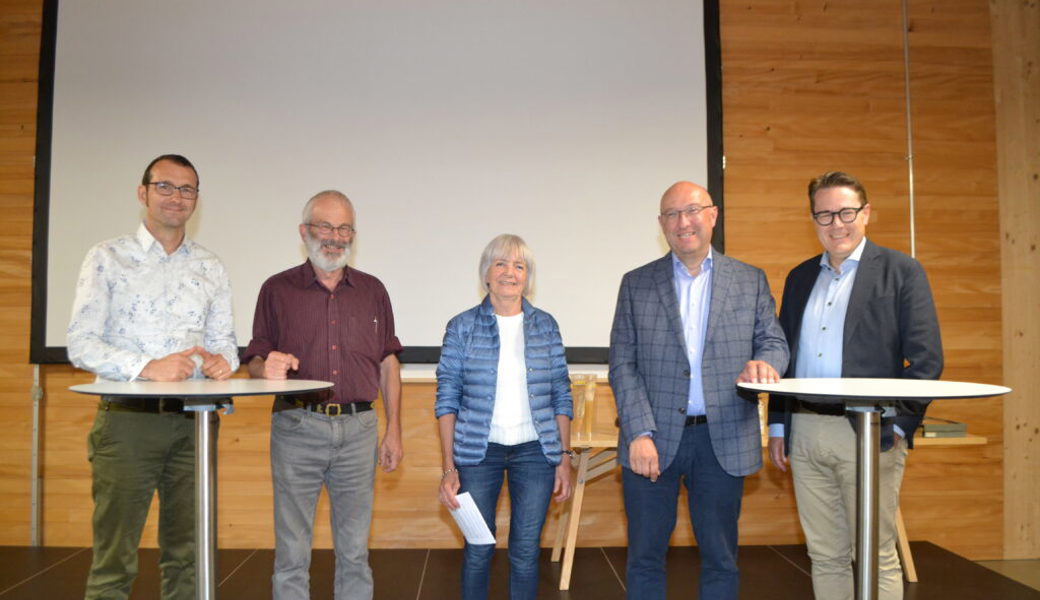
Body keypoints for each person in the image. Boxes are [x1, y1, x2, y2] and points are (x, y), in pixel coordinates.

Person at [67, 154, 239, 599]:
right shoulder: (107, 258)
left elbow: (225, 343)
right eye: (165, 186)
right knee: (114, 560)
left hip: (195, 426)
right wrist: (146, 367)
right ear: (142, 192)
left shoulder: (211, 266)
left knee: (188, 556)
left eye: (187, 189)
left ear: (197, 199)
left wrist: (224, 362)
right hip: (128, 424)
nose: (176, 197)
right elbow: (81, 344)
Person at [767, 171, 943, 600]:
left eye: (846, 212)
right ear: (813, 220)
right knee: (824, 554)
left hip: (869, 431)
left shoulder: (901, 271)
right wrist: (778, 425)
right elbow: (783, 355)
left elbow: (927, 359)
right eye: (824, 215)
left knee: (875, 553)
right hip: (805, 430)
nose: (836, 224)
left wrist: (898, 426)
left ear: (866, 213)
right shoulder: (799, 277)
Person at [609, 181, 789, 600]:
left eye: (691, 210)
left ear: (712, 215)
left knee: (721, 559)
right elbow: (622, 364)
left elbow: (774, 342)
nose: (683, 222)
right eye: (672, 214)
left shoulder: (749, 280)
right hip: (652, 439)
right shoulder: (636, 284)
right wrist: (639, 432)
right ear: (661, 224)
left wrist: (767, 363)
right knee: (644, 558)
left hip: (722, 437)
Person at [243, 190, 403, 600]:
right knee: (292, 551)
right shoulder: (276, 289)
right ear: (304, 231)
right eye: (325, 227)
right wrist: (265, 368)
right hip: (297, 427)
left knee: (355, 551)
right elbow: (256, 359)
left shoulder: (373, 290)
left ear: (353, 235)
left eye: (344, 228)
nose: (335, 237)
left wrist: (394, 430)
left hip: (360, 430)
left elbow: (388, 363)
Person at [435, 234, 574, 600]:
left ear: (527, 277)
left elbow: (561, 394)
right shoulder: (462, 327)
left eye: (519, 265)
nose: (509, 272)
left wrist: (564, 457)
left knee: (526, 552)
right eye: (500, 263)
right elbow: (447, 399)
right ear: (486, 274)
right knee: (478, 547)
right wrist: (449, 467)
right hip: (477, 454)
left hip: (536, 452)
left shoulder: (546, 326)